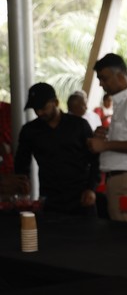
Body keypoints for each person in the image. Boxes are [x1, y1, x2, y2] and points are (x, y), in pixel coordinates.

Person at [86, 53, 127, 223]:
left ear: (120, 76)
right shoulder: (122, 102)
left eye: (104, 78)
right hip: (123, 180)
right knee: (123, 234)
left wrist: (105, 145)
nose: (101, 84)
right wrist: (106, 137)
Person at [14, 82, 99, 215]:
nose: (39, 112)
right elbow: (21, 162)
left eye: (43, 108)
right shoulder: (29, 130)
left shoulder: (79, 125)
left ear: (56, 102)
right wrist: (23, 184)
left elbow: (95, 159)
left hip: (81, 196)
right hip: (50, 199)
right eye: (36, 109)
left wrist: (91, 188)